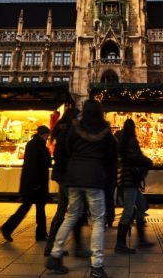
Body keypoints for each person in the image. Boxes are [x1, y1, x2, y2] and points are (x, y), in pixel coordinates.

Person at [45, 99, 117, 278]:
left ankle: (55, 254)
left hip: (74, 177)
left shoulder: (73, 128)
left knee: (70, 216)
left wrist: (68, 169)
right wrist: (109, 181)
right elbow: (111, 159)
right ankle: (97, 265)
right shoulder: (106, 132)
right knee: (98, 220)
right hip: (95, 178)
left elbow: (64, 149)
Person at [44, 108, 90, 258]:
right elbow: (65, 156)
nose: (80, 119)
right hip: (69, 178)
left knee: (63, 212)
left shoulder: (61, 131)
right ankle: (75, 248)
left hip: (64, 177)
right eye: (78, 116)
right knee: (74, 212)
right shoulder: (68, 132)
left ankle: (51, 246)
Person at [0, 125, 52, 242]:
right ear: (43, 134)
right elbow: (35, 165)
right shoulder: (36, 145)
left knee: (35, 208)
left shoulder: (35, 144)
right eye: (47, 135)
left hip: (34, 183)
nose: (47, 137)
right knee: (29, 208)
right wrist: (35, 184)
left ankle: (40, 233)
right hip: (35, 184)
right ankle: (7, 228)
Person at [114, 118, 154, 254]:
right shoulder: (130, 142)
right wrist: (147, 161)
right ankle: (120, 244)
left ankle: (141, 239)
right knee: (128, 211)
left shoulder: (123, 142)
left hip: (129, 180)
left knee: (142, 205)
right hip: (130, 180)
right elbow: (134, 157)